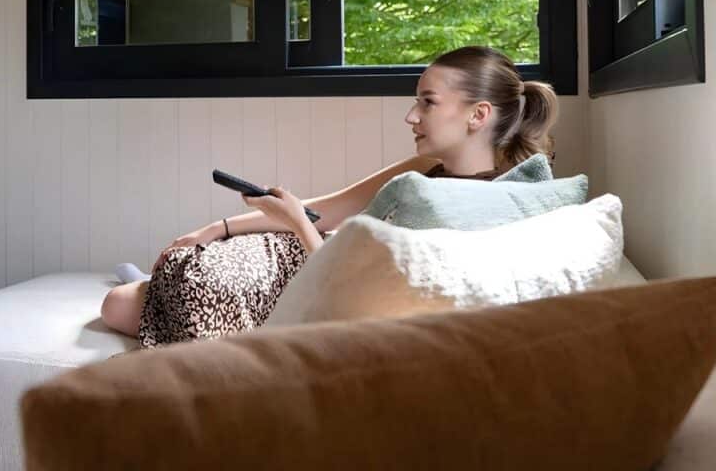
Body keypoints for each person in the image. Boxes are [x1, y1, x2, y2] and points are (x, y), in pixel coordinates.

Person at [100, 45, 559, 346]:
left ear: (478, 114)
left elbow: (357, 297)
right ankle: (155, 280)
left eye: (427, 102)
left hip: (318, 273)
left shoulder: (489, 208)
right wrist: (214, 229)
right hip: (296, 253)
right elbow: (328, 211)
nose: (411, 116)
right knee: (147, 290)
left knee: (120, 304)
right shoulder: (423, 168)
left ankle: (151, 285)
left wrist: (299, 223)